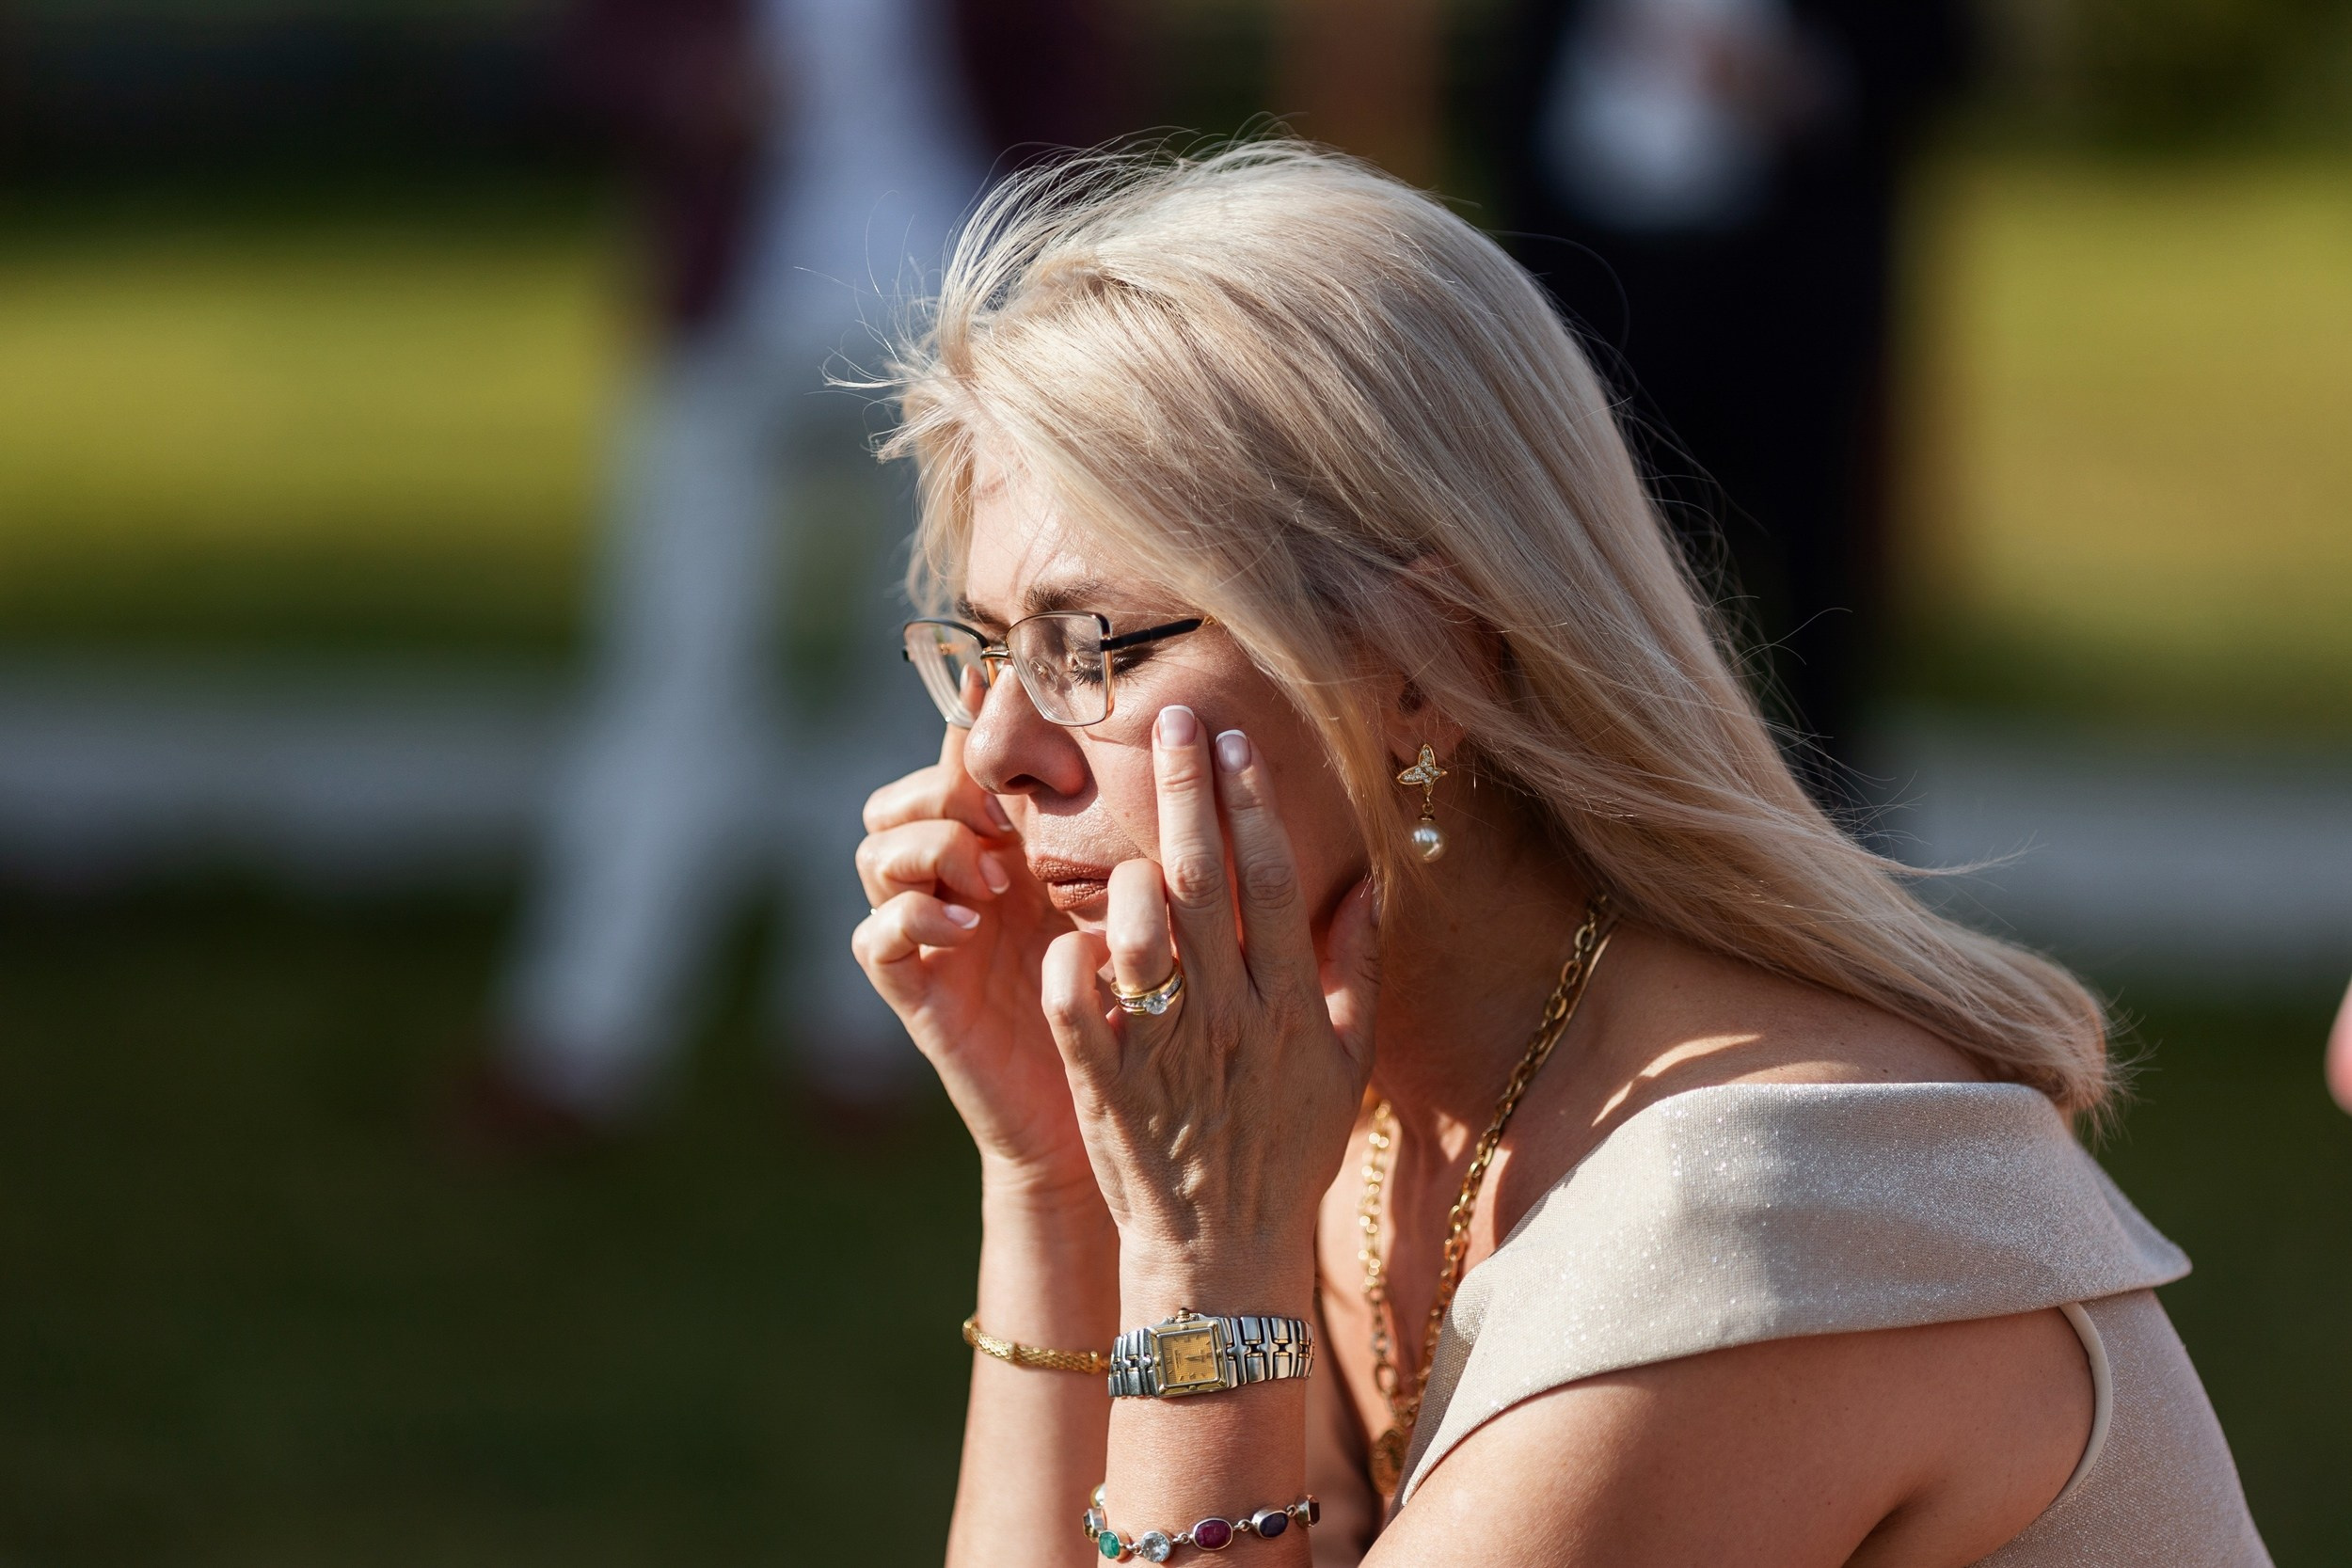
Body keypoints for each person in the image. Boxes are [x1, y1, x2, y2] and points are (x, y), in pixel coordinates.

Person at [850, 145, 2267, 1564]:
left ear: (1425, 663)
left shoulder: (1739, 1209)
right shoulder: (1356, 1107)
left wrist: (1204, 1269)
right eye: (976, 651)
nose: (991, 755)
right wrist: (1054, 1180)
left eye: (1082, 645)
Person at [484, 0, 1138, 1132]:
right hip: (735, 311)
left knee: (932, 684)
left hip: (956, 312)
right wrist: (695, 83)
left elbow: (1074, 73)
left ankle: (871, 1032)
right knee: (673, 674)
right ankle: (583, 1033)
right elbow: (596, 46)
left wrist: (1063, 285)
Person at [1485, 0, 1969, 805]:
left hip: (1784, 278)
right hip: (1584, 270)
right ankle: (1609, 810)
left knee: (1808, 573)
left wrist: (1798, 83)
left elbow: (1934, 53)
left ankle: (1823, 840)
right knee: (1591, 551)